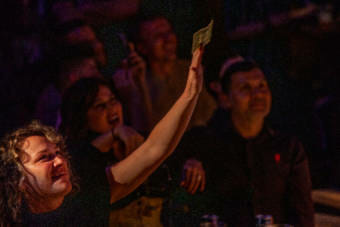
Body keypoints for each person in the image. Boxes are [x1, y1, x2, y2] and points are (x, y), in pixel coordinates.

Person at [0, 47, 204, 226]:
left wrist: (189, 94)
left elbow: (154, 149)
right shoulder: (12, 220)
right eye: (45, 157)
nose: (60, 160)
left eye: (58, 153)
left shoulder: (87, 194)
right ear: (19, 180)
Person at [177, 58, 314, 226]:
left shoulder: (288, 147)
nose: (258, 95)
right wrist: (189, 161)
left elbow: (303, 213)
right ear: (225, 99)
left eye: (262, 86)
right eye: (245, 88)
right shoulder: (205, 142)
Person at [113, 15, 216, 134]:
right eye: (158, 35)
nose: (169, 39)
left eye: (169, 32)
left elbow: (210, 113)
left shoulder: (190, 68)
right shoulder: (137, 81)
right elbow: (146, 131)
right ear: (142, 47)